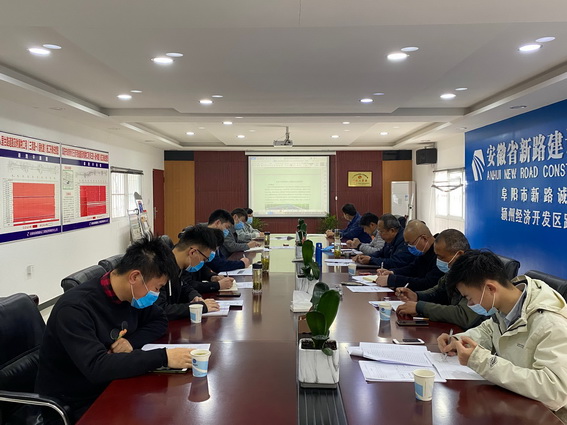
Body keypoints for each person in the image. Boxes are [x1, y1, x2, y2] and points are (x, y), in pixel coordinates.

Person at [35, 236, 196, 422]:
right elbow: (97, 366)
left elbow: (159, 319)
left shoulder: (130, 295)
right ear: (134, 277)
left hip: (112, 383)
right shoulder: (75, 309)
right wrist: (164, 357)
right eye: (157, 288)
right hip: (75, 401)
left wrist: (131, 342)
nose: (156, 294)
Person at [437, 250, 567, 419]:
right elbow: (488, 330)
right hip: (515, 402)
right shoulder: (508, 303)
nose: (469, 304)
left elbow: (554, 391)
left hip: (546, 416)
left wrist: (481, 361)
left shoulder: (551, 323)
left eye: (469, 297)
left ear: (490, 288)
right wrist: (458, 340)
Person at [396, 229, 484, 330]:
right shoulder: (456, 268)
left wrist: (420, 307)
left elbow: (463, 315)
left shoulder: (476, 273)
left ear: (459, 254)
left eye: (441, 257)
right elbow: (439, 290)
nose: (438, 261)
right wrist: (417, 296)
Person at [157, 225, 223, 320]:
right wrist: (199, 307)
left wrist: (195, 296)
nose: (203, 263)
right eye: (204, 259)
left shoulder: (178, 266)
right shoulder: (159, 269)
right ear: (193, 252)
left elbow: (185, 287)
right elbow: (161, 310)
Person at [374, 220, 444, 290]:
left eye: (411, 243)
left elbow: (428, 283)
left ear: (424, 238)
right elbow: (412, 269)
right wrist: (393, 272)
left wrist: (394, 280)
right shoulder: (424, 251)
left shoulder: (441, 254)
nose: (409, 247)